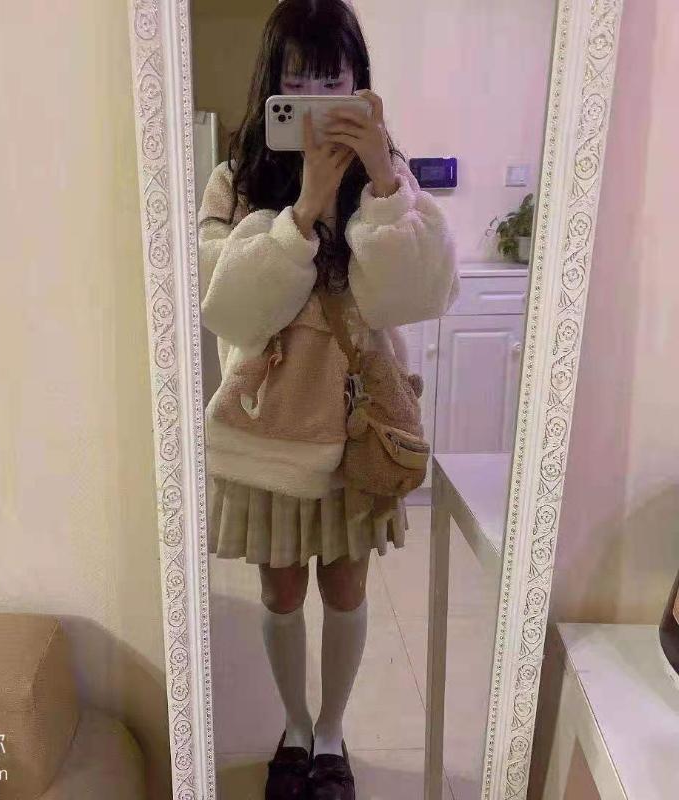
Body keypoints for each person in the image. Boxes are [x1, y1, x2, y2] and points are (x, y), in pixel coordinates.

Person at [197, 1, 458, 797]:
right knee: (280, 592)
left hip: (353, 431)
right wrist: (304, 209)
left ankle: (332, 736)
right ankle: (295, 727)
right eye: (298, 77)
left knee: (345, 589)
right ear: (273, 81)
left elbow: (417, 297)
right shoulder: (236, 178)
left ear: (358, 82)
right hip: (268, 432)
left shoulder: (388, 175)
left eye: (331, 77)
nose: (315, 97)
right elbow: (229, 311)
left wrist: (380, 184)